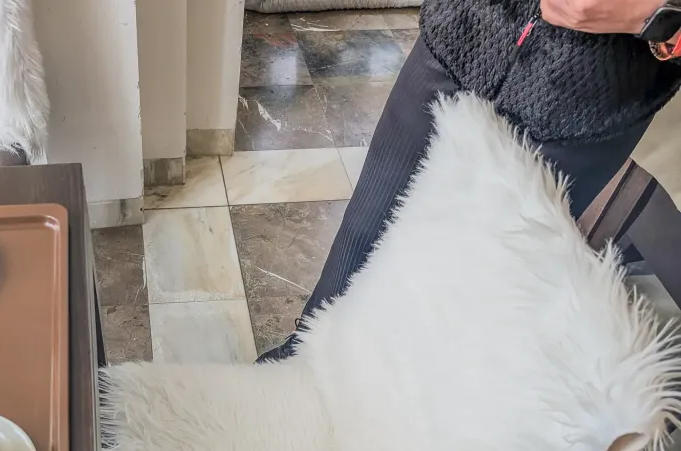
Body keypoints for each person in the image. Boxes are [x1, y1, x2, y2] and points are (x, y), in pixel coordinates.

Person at [259, 0, 681, 362]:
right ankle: (302, 360)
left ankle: (386, 408)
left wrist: (656, 17)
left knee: (466, 286)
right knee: (366, 227)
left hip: (593, 102)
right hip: (463, 29)